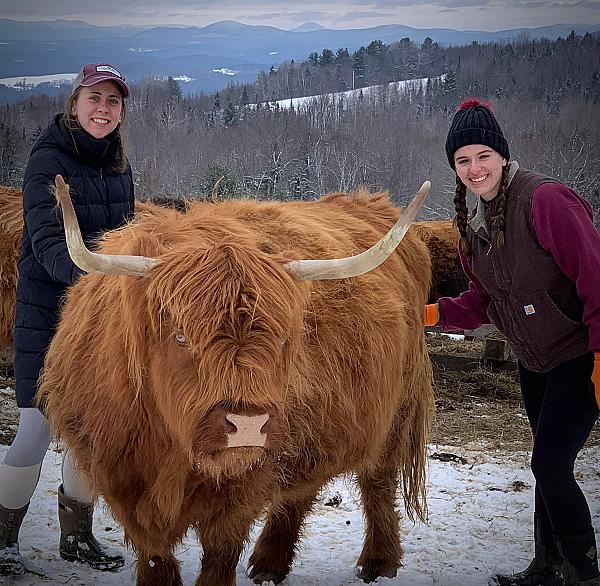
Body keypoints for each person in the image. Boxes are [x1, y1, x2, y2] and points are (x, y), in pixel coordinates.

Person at [424, 99, 600, 586]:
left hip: (579, 355)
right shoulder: (473, 227)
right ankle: (547, 566)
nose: (474, 169)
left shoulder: (546, 201)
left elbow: (596, 281)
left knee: (550, 463)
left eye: (482, 155)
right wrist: (431, 314)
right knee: (545, 464)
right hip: (534, 360)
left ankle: (584, 571)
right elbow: (485, 299)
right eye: (462, 160)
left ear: (502, 154)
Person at [0, 63, 135, 575]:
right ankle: (3, 538)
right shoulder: (47, 161)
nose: (103, 110)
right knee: (35, 428)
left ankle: (76, 538)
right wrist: (100, 279)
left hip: (99, 319)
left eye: (113, 102)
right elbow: (47, 245)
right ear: (74, 104)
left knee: (90, 430)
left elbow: (126, 235)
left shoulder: (118, 165)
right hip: (48, 315)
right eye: (94, 99)